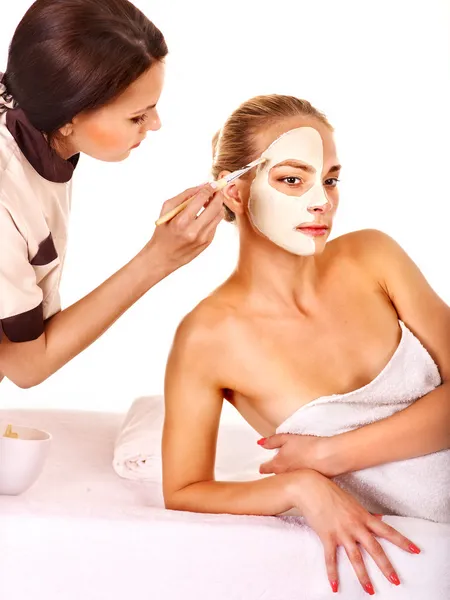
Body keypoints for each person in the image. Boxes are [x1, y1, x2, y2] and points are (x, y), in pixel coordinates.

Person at [162, 94, 450, 595]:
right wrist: (298, 484)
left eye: (331, 179)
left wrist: (331, 455)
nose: (322, 200)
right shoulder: (208, 336)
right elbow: (184, 490)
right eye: (292, 179)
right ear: (234, 190)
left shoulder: (373, 257)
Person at [0, 0, 223, 388]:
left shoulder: (33, 103)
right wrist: (157, 259)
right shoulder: (5, 195)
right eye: (137, 116)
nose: (155, 124)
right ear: (69, 118)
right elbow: (26, 365)